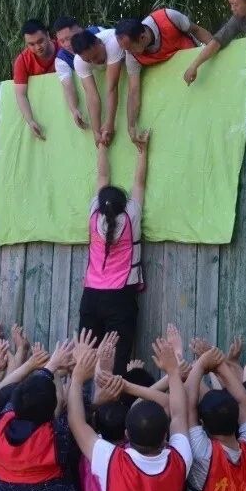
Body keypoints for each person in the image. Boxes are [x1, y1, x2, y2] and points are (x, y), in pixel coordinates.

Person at [67, 337, 193, 491]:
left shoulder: (112, 461)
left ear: (127, 435)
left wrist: (77, 377)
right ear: (164, 437)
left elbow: (77, 423)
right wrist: (173, 372)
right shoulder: (181, 460)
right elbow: (178, 414)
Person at [0, 341, 85, 491]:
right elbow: (71, 412)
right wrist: (74, 375)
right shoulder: (57, 436)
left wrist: (50, 365)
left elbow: (0, 393)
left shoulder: (0, 425)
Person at [78, 133, 148, 376]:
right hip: (120, 298)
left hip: (91, 296)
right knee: (116, 364)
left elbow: (102, 176)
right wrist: (142, 152)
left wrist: (102, 146)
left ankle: (81, 396)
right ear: (123, 204)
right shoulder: (131, 217)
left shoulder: (93, 215)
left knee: (85, 359)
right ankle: (112, 399)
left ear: (100, 204)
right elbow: (139, 183)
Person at [184, 346, 246, 491]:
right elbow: (245, 404)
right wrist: (220, 365)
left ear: (202, 423)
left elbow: (188, 407)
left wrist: (202, 364)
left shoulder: (203, 455)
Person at [114, 10, 212, 148]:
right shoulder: (131, 56)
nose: (127, 53)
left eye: (130, 48)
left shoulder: (169, 17)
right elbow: (133, 90)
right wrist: (131, 126)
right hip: (180, 91)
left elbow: (197, 31)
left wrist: (220, 54)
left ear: (142, 38)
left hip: (199, 73)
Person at [70, 28, 125, 146]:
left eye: (95, 56)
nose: (94, 62)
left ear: (99, 42)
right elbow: (91, 96)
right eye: (88, 60)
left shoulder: (113, 41)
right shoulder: (79, 61)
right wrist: (96, 132)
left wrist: (110, 123)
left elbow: (112, 87)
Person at [52, 16, 103, 129]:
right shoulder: (61, 59)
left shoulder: (99, 33)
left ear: (81, 30)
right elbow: (68, 86)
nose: (67, 44)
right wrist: (74, 109)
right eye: (62, 41)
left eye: (69, 38)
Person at [13, 19, 59, 140]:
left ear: (48, 35)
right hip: (45, 116)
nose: (37, 47)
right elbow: (20, 95)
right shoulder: (22, 61)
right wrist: (30, 121)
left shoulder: (64, 47)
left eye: (40, 41)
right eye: (31, 44)